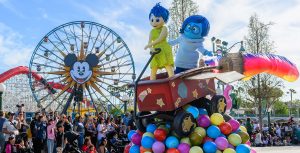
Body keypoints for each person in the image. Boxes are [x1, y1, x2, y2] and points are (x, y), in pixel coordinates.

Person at [144, 3, 174, 80]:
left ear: (164, 19)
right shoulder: (152, 31)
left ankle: (172, 79)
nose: (154, 22)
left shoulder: (164, 28)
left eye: (157, 20)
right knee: (154, 67)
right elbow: (149, 41)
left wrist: (150, 44)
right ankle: (152, 83)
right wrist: (150, 48)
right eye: (152, 20)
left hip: (164, 49)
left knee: (167, 65)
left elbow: (161, 38)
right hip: (156, 51)